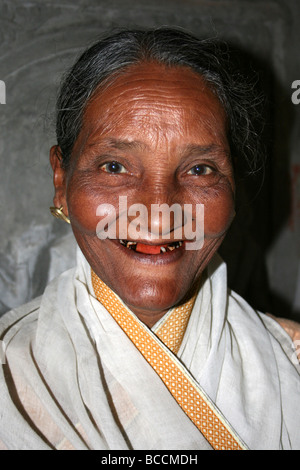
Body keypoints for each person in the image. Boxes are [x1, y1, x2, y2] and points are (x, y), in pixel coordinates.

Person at [0, 28, 299, 451]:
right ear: (61, 180)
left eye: (199, 170)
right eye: (114, 167)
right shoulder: (10, 376)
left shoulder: (291, 362)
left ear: (234, 190)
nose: (159, 214)